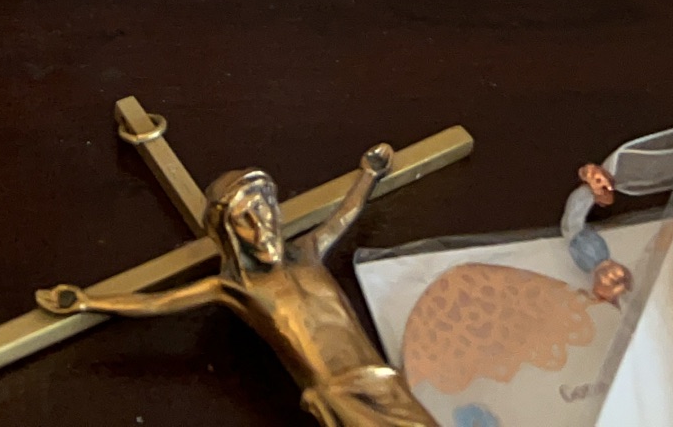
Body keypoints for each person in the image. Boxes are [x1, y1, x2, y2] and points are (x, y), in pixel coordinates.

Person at [37, 149, 436, 424]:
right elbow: (156, 303)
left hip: (385, 381)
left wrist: (369, 172)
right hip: (338, 397)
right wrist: (87, 301)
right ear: (230, 234)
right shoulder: (236, 288)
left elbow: (346, 213)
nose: (261, 228)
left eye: (263, 210)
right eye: (245, 220)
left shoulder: (308, 250)